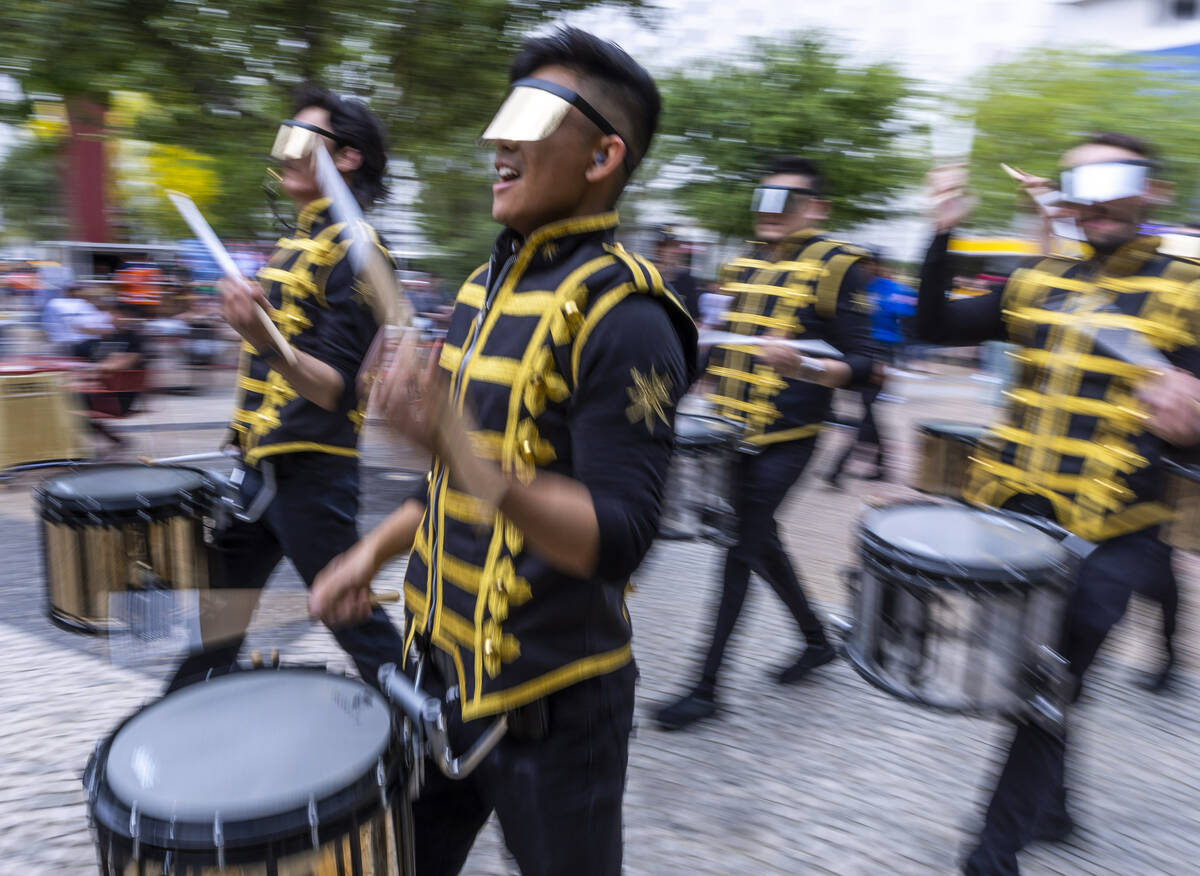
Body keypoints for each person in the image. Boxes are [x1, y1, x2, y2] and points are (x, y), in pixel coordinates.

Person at [311, 27, 695, 875]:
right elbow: (455, 485)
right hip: (434, 679)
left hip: (557, 717)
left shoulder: (631, 318)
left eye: (532, 116)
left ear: (603, 156)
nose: (498, 139)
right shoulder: (482, 292)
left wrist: (454, 441)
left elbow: (620, 535)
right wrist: (367, 553)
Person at [916, 133, 1200, 876]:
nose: (1097, 199)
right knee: (1038, 678)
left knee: (1048, 681)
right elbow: (936, 326)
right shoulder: (1034, 278)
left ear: (1154, 191)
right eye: (1081, 182)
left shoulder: (1194, 289)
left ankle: (991, 854)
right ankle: (1062, 809)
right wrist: (942, 231)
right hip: (1022, 523)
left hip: (1119, 536)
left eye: (1117, 180)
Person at [165, 83, 405, 692]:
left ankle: (436, 741)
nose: (285, 151)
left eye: (301, 138)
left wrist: (262, 336)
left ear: (345, 157)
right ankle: (180, 736)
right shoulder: (297, 240)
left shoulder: (359, 250)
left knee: (359, 628)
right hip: (256, 471)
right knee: (212, 629)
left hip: (311, 478)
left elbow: (337, 391)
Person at [655, 155, 877, 731]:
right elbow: (718, 346)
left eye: (788, 200)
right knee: (760, 541)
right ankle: (815, 639)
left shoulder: (841, 266)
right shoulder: (742, 264)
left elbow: (866, 364)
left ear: (817, 208)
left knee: (739, 550)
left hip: (790, 438)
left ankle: (705, 688)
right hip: (731, 432)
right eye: (764, 199)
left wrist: (803, 362)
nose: (770, 212)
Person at [824, 251, 916, 487]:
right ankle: (884, 464)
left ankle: (837, 468)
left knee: (866, 413)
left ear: (875, 265)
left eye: (865, 264)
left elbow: (913, 320)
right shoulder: (854, 287)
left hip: (880, 356)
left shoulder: (893, 290)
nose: (861, 268)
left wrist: (892, 358)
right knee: (868, 414)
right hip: (856, 355)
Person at [653, 225, 702, 320]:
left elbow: (693, 316)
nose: (665, 251)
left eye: (670, 246)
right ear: (656, 250)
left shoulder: (687, 281)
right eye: (662, 246)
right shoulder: (648, 277)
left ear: (678, 249)